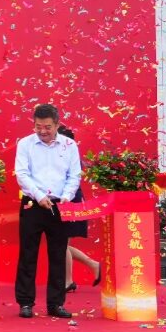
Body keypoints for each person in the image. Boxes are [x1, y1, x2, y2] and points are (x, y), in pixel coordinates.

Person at [13, 103, 80, 319]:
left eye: (48, 127)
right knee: (28, 254)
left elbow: (74, 175)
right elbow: (22, 173)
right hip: (33, 204)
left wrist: (66, 197)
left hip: (60, 205)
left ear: (57, 125)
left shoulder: (69, 145)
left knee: (58, 254)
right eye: (38, 127)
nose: (43, 131)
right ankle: (25, 303)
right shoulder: (25, 144)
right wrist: (39, 196)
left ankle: (56, 304)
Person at [56, 125, 102, 293]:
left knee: (61, 242)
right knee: (60, 242)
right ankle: (93, 265)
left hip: (69, 201)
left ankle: (68, 281)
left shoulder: (69, 157)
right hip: (66, 201)